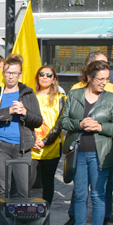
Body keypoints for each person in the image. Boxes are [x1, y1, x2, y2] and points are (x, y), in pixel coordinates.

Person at [59, 60, 113, 225]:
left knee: (97, 195)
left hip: (100, 154)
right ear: (89, 77)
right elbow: (63, 120)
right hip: (78, 152)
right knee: (79, 194)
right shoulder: (75, 94)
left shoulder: (111, 99)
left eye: (107, 79)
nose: (104, 83)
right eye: (100, 79)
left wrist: (101, 127)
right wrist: (80, 123)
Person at [0, 54, 43, 202]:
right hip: (0, 146)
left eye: (14, 73)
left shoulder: (28, 93)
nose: (11, 77)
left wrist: (25, 112)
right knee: (3, 189)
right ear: (3, 72)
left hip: (22, 148)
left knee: (24, 189)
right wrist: (8, 111)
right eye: (8, 72)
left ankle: (21, 223)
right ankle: (4, 224)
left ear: (20, 74)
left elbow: (38, 120)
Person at [31, 65, 66, 207]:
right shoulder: (29, 96)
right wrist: (33, 140)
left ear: (54, 80)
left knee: (48, 181)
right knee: (27, 181)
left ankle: (45, 211)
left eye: (49, 75)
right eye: (42, 74)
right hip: (31, 146)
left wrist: (45, 141)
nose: (45, 77)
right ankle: (24, 210)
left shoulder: (60, 98)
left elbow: (60, 123)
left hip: (52, 146)